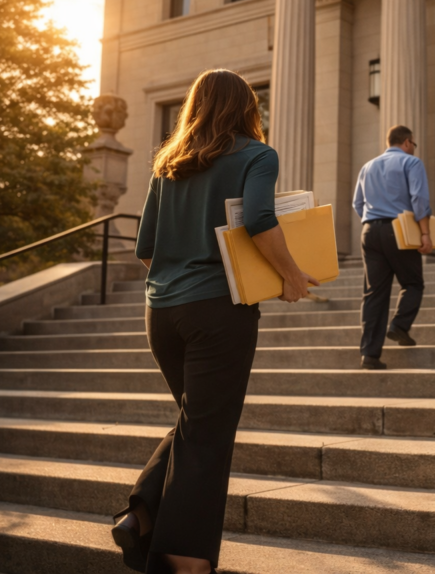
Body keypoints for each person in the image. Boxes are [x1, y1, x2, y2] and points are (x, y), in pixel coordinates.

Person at [112, 70, 317, 574]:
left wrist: (180, 277)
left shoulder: (168, 162)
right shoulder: (257, 155)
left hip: (160, 313)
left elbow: (145, 249)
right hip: (217, 313)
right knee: (208, 434)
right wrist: (291, 275)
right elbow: (258, 219)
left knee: (196, 422)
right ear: (248, 107)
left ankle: (140, 515)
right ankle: (186, 563)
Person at [353, 125, 433, 369]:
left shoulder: (367, 166)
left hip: (369, 230)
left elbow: (357, 203)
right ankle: (399, 325)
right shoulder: (411, 162)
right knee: (412, 283)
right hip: (399, 229)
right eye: (413, 144)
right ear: (407, 142)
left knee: (373, 293)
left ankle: (369, 355)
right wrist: (425, 233)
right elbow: (419, 199)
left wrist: (373, 221)